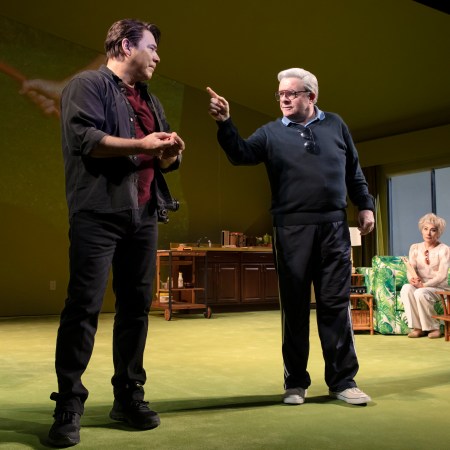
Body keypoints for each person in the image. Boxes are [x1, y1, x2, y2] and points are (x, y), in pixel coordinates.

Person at [47, 19, 185, 447]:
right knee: (83, 307)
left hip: (143, 215)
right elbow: (86, 139)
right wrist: (144, 145)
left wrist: (169, 153)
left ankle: (128, 397)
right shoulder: (86, 85)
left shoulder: (151, 99)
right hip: (97, 214)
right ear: (126, 46)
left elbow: (162, 160)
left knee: (135, 309)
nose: (157, 57)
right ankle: (68, 405)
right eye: (151, 48)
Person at [207, 68, 375, 407]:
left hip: (334, 228)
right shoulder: (270, 133)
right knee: (295, 308)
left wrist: (365, 205)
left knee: (335, 306)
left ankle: (343, 382)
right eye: (280, 94)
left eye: (291, 93)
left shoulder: (336, 125)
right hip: (291, 230)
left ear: (311, 96)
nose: (284, 98)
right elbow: (240, 154)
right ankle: (295, 383)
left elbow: (353, 170)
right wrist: (225, 123)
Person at [400, 213, 450, 339]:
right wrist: (411, 279)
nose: (428, 233)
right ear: (421, 230)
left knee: (420, 292)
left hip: (438, 287)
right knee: (406, 288)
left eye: (433, 230)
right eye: (425, 229)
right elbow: (410, 268)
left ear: (438, 233)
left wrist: (424, 285)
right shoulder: (415, 247)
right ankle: (417, 328)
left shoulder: (444, 249)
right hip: (420, 285)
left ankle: (434, 328)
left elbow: (442, 276)